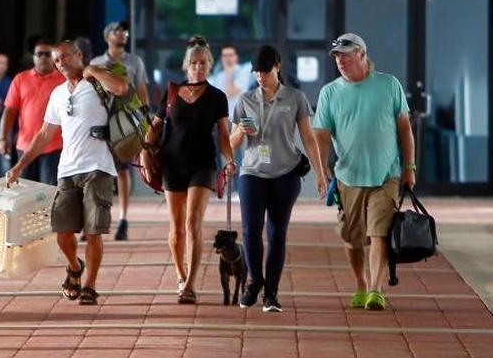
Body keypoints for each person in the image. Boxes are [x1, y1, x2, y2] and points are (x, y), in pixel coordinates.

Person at [5, 41, 129, 306]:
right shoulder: (58, 94)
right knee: (62, 232)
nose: (60, 64)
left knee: (94, 231)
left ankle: (90, 286)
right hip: (68, 169)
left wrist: (94, 70)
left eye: (64, 58)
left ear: (78, 56)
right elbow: (44, 134)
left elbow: (121, 87)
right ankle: (74, 266)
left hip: (99, 167)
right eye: (56, 61)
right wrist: (19, 165)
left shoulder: (96, 83)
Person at [312, 33, 416, 312]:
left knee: (379, 233)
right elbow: (321, 135)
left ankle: (375, 289)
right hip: (348, 176)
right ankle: (360, 283)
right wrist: (321, 171)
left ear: (362, 54)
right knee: (352, 238)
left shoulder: (388, 84)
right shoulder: (329, 93)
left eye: (345, 55)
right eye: (336, 56)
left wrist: (409, 166)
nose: (340, 61)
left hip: (387, 175)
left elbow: (404, 128)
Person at [229, 45, 321, 313]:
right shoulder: (245, 100)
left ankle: (271, 293)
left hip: (285, 173)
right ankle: (254, 281)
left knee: (277, 233)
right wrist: (241, 133)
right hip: (252, 172)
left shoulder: (295, 98)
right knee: (249, 231)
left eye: (265, 71)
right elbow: (233, 141)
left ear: (278, 67)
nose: (260, 76)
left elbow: (308, 137)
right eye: (256, 72)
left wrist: (320, 172)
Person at [143, 35, 235, 304]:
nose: (199, 67)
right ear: (187, 65)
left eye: (204, 63)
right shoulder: (172, 93)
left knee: (193, 222)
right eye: (194, 63)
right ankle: (181, 274)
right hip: (173, 164)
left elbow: (223, 134)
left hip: (203, 165)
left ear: (210, 65)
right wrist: (145, 152)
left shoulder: (217, 97)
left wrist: (229, 160)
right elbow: (155, 127)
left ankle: (190, 285)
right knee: (176, 228)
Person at [89, 21, 150, 241]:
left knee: (124, 172)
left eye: (125, 31)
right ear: (107, 36)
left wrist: (144, 123)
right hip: (101, 123)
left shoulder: (135, 62)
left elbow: (142, 92)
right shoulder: (96, 63)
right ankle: (95, 217)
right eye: (117, 31)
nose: (122, 34)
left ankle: (123, 219)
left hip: (125, 123)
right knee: (98, 172)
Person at [0, 39, 64, 186]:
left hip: (53, 147)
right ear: (33, 57)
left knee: (49, 191)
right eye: (39, 54)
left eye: (47, 54)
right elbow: (10, 110)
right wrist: (3, 138)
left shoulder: (62, 80)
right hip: (25, 146)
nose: (43, 57)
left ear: (54, 57)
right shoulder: (20, 79)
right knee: (26, 191)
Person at [210, 43, 253, 120]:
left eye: (230, 55)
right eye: (225, 56)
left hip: (242, 118)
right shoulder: (219, 77)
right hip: (225, 119)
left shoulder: (242, 72)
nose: (228, 59)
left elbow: (230, 92)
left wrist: (229, 73)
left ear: (236, 57)